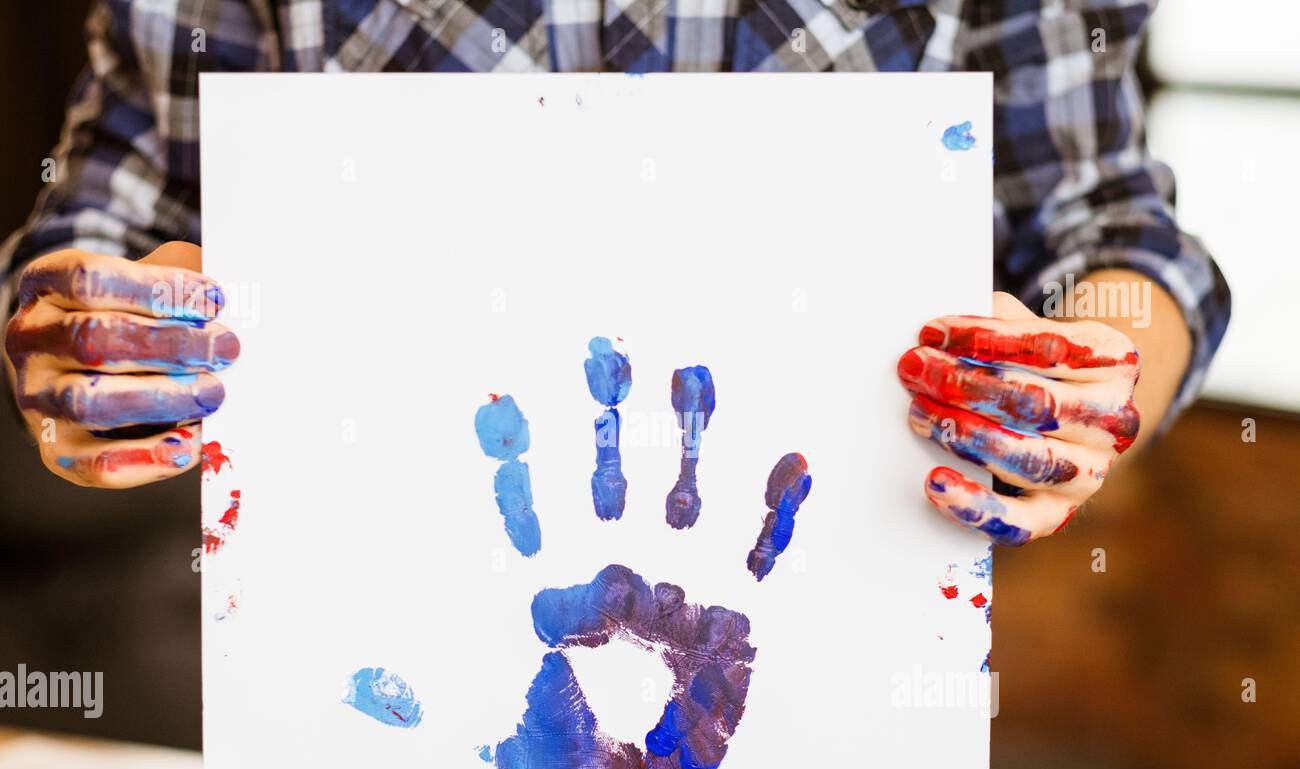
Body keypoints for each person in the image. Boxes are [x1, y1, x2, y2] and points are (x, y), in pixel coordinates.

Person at [0, 0, 1229, 546]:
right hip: (357, 721)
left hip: (844, 723)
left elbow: (1105, 235)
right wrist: (94, 327)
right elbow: (104, 215)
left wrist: (1079, 372)